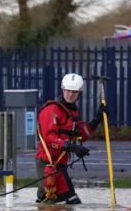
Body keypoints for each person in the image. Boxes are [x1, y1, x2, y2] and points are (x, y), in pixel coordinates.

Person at [35, 73, 108, 204]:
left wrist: (97, 120)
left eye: (74, 92)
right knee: (48, 202)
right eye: (67, 91)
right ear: (62, 89)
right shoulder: (52, 109)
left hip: (60, 165)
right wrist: (72, 147)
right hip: (47, 163)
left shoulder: (73, 111)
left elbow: (80, 136)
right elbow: (49, 138)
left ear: (79, 93)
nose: (70, 95)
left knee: (69, 204)